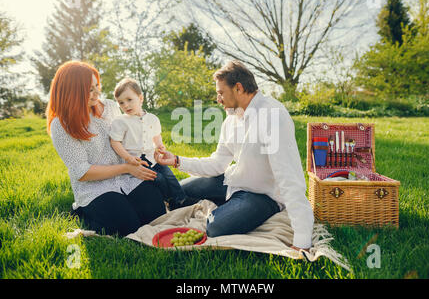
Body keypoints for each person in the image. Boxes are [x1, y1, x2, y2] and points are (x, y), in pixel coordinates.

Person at [155, 60, 314, 250]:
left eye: (221, 93)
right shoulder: (231, 120)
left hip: (262, 195)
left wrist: (302, 240)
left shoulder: (272, 116)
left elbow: (290, 178)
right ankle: (231, 207)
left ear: (238, 88)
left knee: (216, 227)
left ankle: (236, 211)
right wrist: (177, 161)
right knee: (178, 192)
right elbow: (217, 163)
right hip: (232, 183)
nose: (218, 99)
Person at [47, 61, 166, 237]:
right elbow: (82, 172)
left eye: (97, 86)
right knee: (128, 227)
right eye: (90, 89)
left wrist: (152, 148)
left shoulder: (110, 106)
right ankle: (83, 213)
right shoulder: (61, 124)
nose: (98, 93)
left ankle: (125, 206)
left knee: (156, 214)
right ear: (73, 91)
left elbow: (128, 135)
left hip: (127, 177)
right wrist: (126, 167)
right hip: (95, 187)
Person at [109, 78, 187, 209]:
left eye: (129, 100)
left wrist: (159, 146)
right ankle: (168, 201)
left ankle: (182, 200)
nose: (126, 105)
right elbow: (115, 142)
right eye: (121, 103)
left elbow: (156, 136)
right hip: (136, 161)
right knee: (159, 178)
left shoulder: (152, 119)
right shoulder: (120, 121)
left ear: (140, 98)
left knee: (170, 177)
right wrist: (128, 158)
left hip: (153, 157)